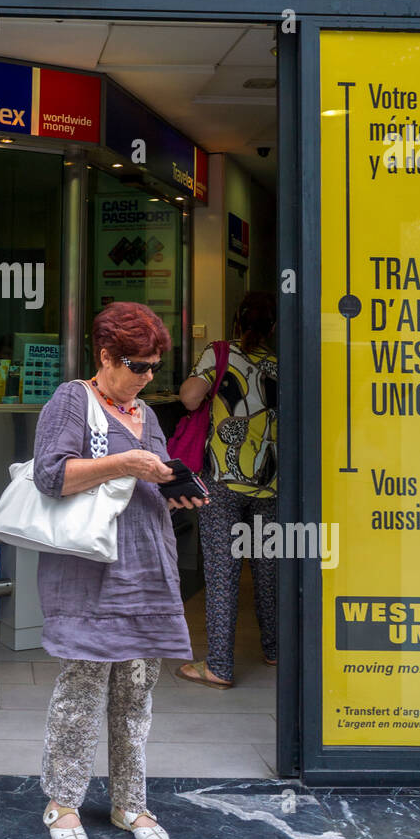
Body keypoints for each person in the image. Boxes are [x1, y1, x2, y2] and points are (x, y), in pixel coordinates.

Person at [31, 302, 205, 839]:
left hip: (147, 567)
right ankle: (62, 800)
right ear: (105, 356)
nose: (149, 376)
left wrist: (175, 485)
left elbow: (148, 478)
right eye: (138, 365)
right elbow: (52, 474)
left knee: (137, 691)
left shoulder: (146, 414)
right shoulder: (71, 400)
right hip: (91, 570)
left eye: (155, 366)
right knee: (82, 689)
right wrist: (131, 464)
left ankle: (130, 802)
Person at [175, 290, 278, 690]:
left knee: (222, 572)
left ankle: (218, 665)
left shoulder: (218, 353)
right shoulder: (280, 361)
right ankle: (274, 649)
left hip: (221, 480)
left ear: (237, 322)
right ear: (271, 326)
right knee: (269, 571)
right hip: (269, 482)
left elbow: (188, 398)